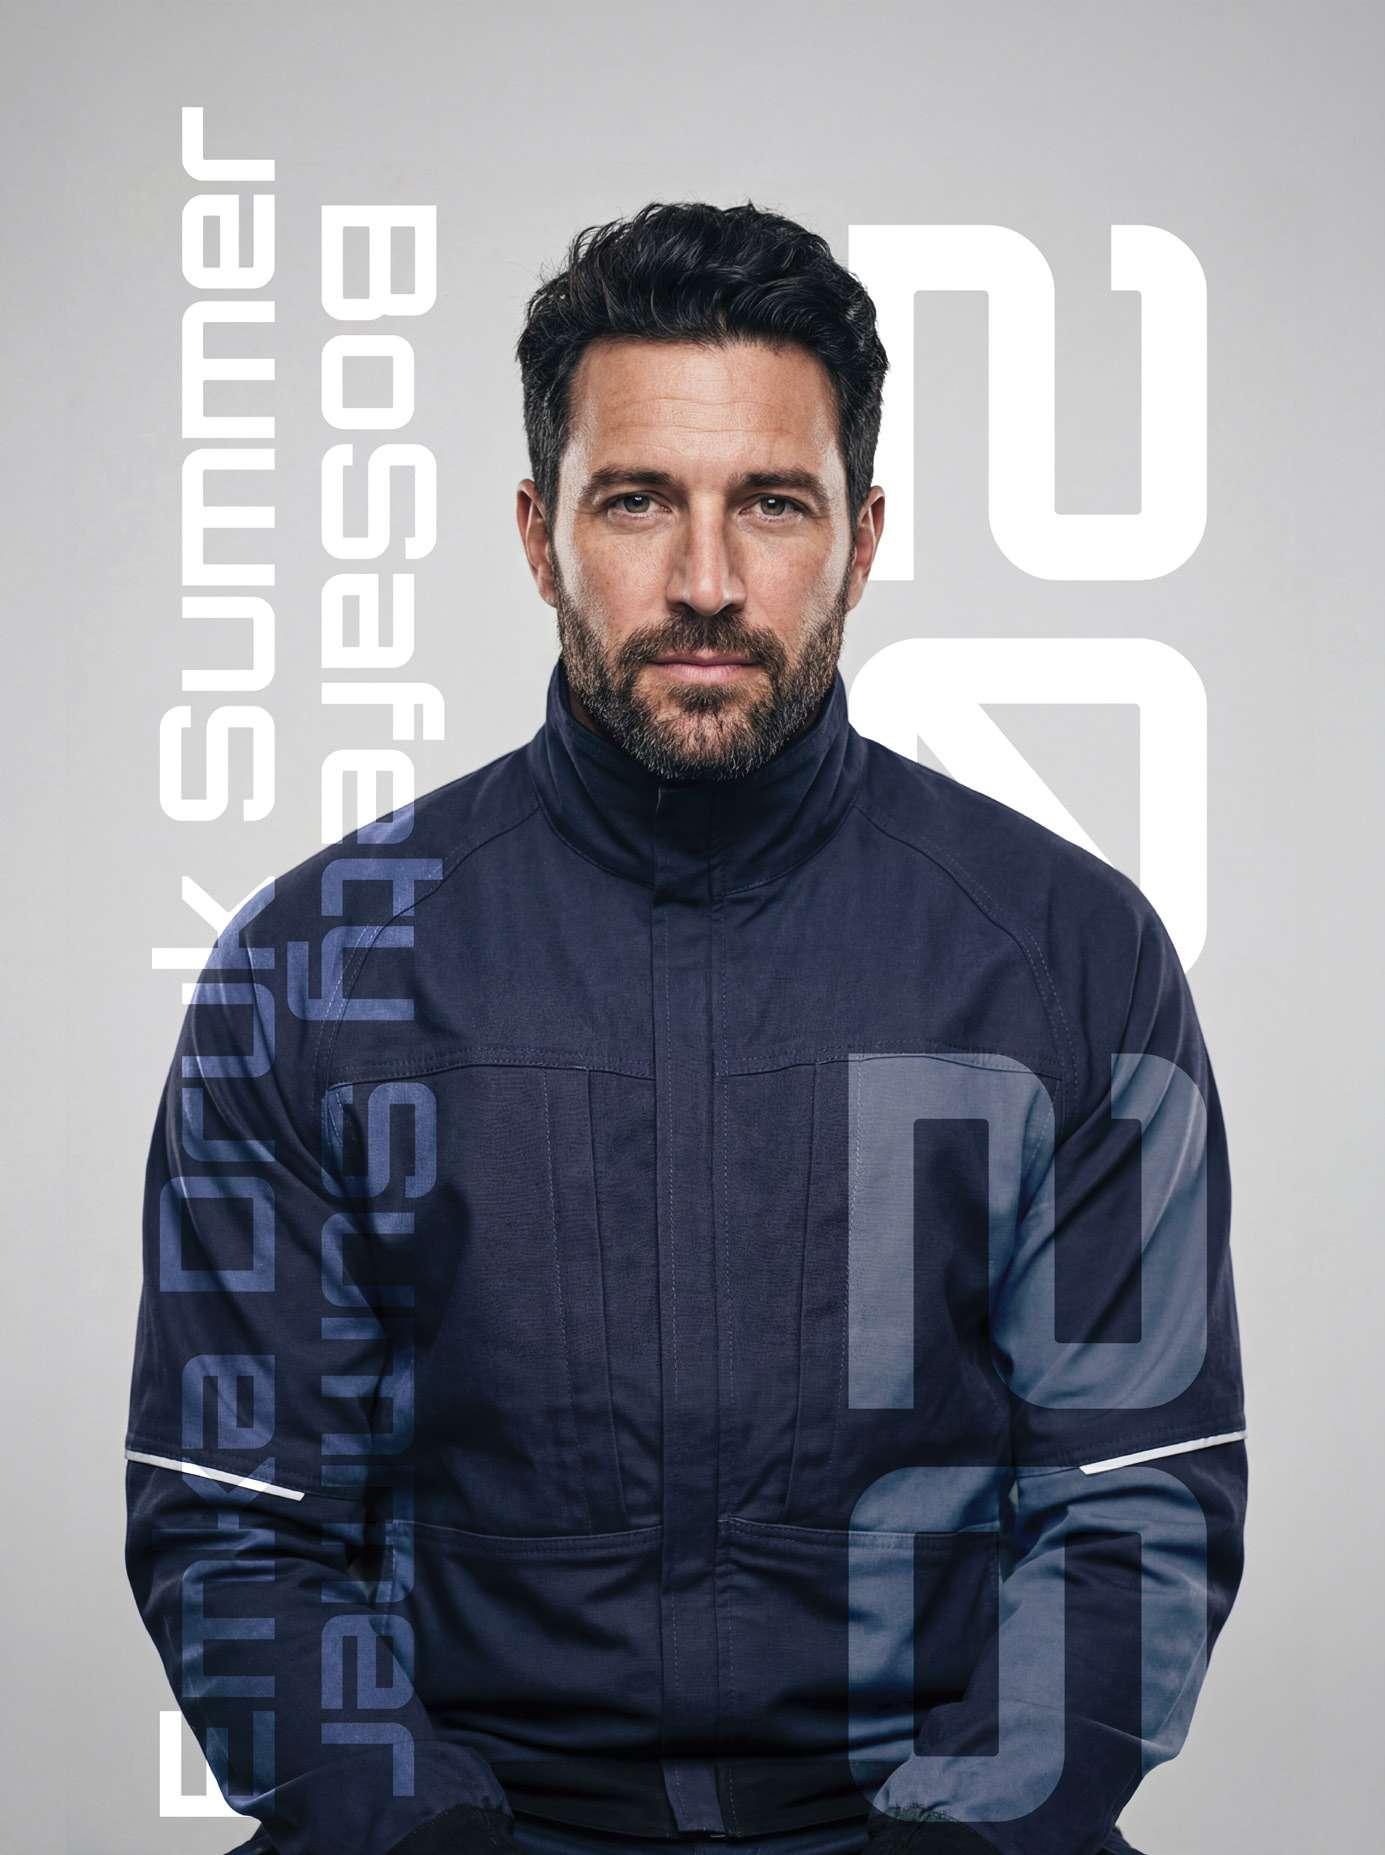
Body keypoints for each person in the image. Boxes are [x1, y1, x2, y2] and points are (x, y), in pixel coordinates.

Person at [123, 201, 1247, 1855]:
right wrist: (424, 1842)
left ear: (860, 539)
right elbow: (236, 1532)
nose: (706, 583)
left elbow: (1135, 1510)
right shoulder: (312, 969)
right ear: (539, 536)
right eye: (636, 500)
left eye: (771, 503)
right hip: (459, 1831)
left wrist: (958, 1841)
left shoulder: (1068, 957)